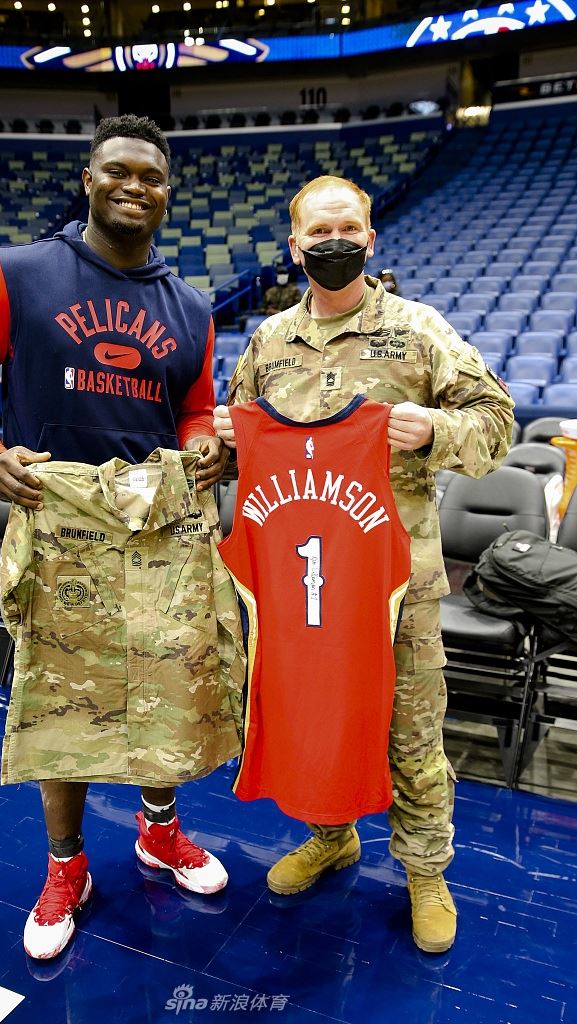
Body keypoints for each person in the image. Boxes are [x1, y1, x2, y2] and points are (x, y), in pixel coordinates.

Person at [0, 114, 239, 962]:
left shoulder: (190, 305)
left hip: (160, 529)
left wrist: (204, 445)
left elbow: (193, 407)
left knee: (168, 686)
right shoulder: (15, 273)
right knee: (62, 702)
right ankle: (66, 866)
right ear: (89, 180)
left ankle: (159, 833)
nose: (135, 186)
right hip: (60, 523)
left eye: (151, 176)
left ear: (167, 192)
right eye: (119, 171)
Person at [213, 174, 514, 954]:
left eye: (347, 228)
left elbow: (496, 424)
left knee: (411, 729)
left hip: (396, 583)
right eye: (318, 232)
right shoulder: (268, 340)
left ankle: (425, 872)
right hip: (303, 589)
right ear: (294, 246)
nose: (334, 242)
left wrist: (436, 430)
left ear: (370, 238)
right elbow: (239, 452)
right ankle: (331, 833)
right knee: (318, 714)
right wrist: (221, 441)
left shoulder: (417, 329)